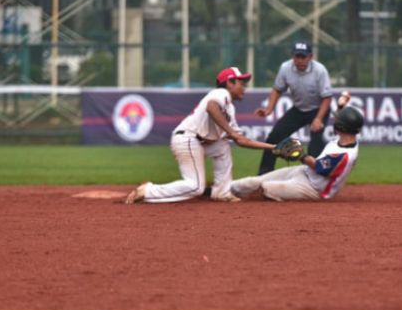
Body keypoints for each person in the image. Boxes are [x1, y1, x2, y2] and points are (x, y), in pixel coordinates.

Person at [125, 67, 277, 204]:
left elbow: (242, 140)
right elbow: (212, 107)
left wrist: (274, 148)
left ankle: (222, 192)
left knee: (223, 145)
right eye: (241, 83)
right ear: (230, 82)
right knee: (196, 187)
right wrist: (230, 132)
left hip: (199, 142)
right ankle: (148, 191)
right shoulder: (221, 93)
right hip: (188, 139)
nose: (244, 87)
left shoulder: (229, 108)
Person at [231, 92, 363, 202]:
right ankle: (224, 189)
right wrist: (341, 107)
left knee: (265, 188)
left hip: (313, 189)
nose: (334, 122)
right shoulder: (347, 138)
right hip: (304, 171)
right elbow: (345, 122)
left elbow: (319, 167)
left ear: (341, 127)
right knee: (255, 181)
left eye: (337, 121)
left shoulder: (346, 156)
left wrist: (300, 154)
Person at [255, 41, 333, 175]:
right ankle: (264, 173)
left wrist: (318, 119)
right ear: (293, 56)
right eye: (297, 56)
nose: (300, 60)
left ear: (310, 57)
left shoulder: (320, 70)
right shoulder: (285, 68)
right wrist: (269, 109)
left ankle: (315, 176)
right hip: (298, 109)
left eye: (303, 57)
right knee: (274, 137)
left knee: (316, 144)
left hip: (318, 110)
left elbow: (327, 98)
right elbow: (277, 89)